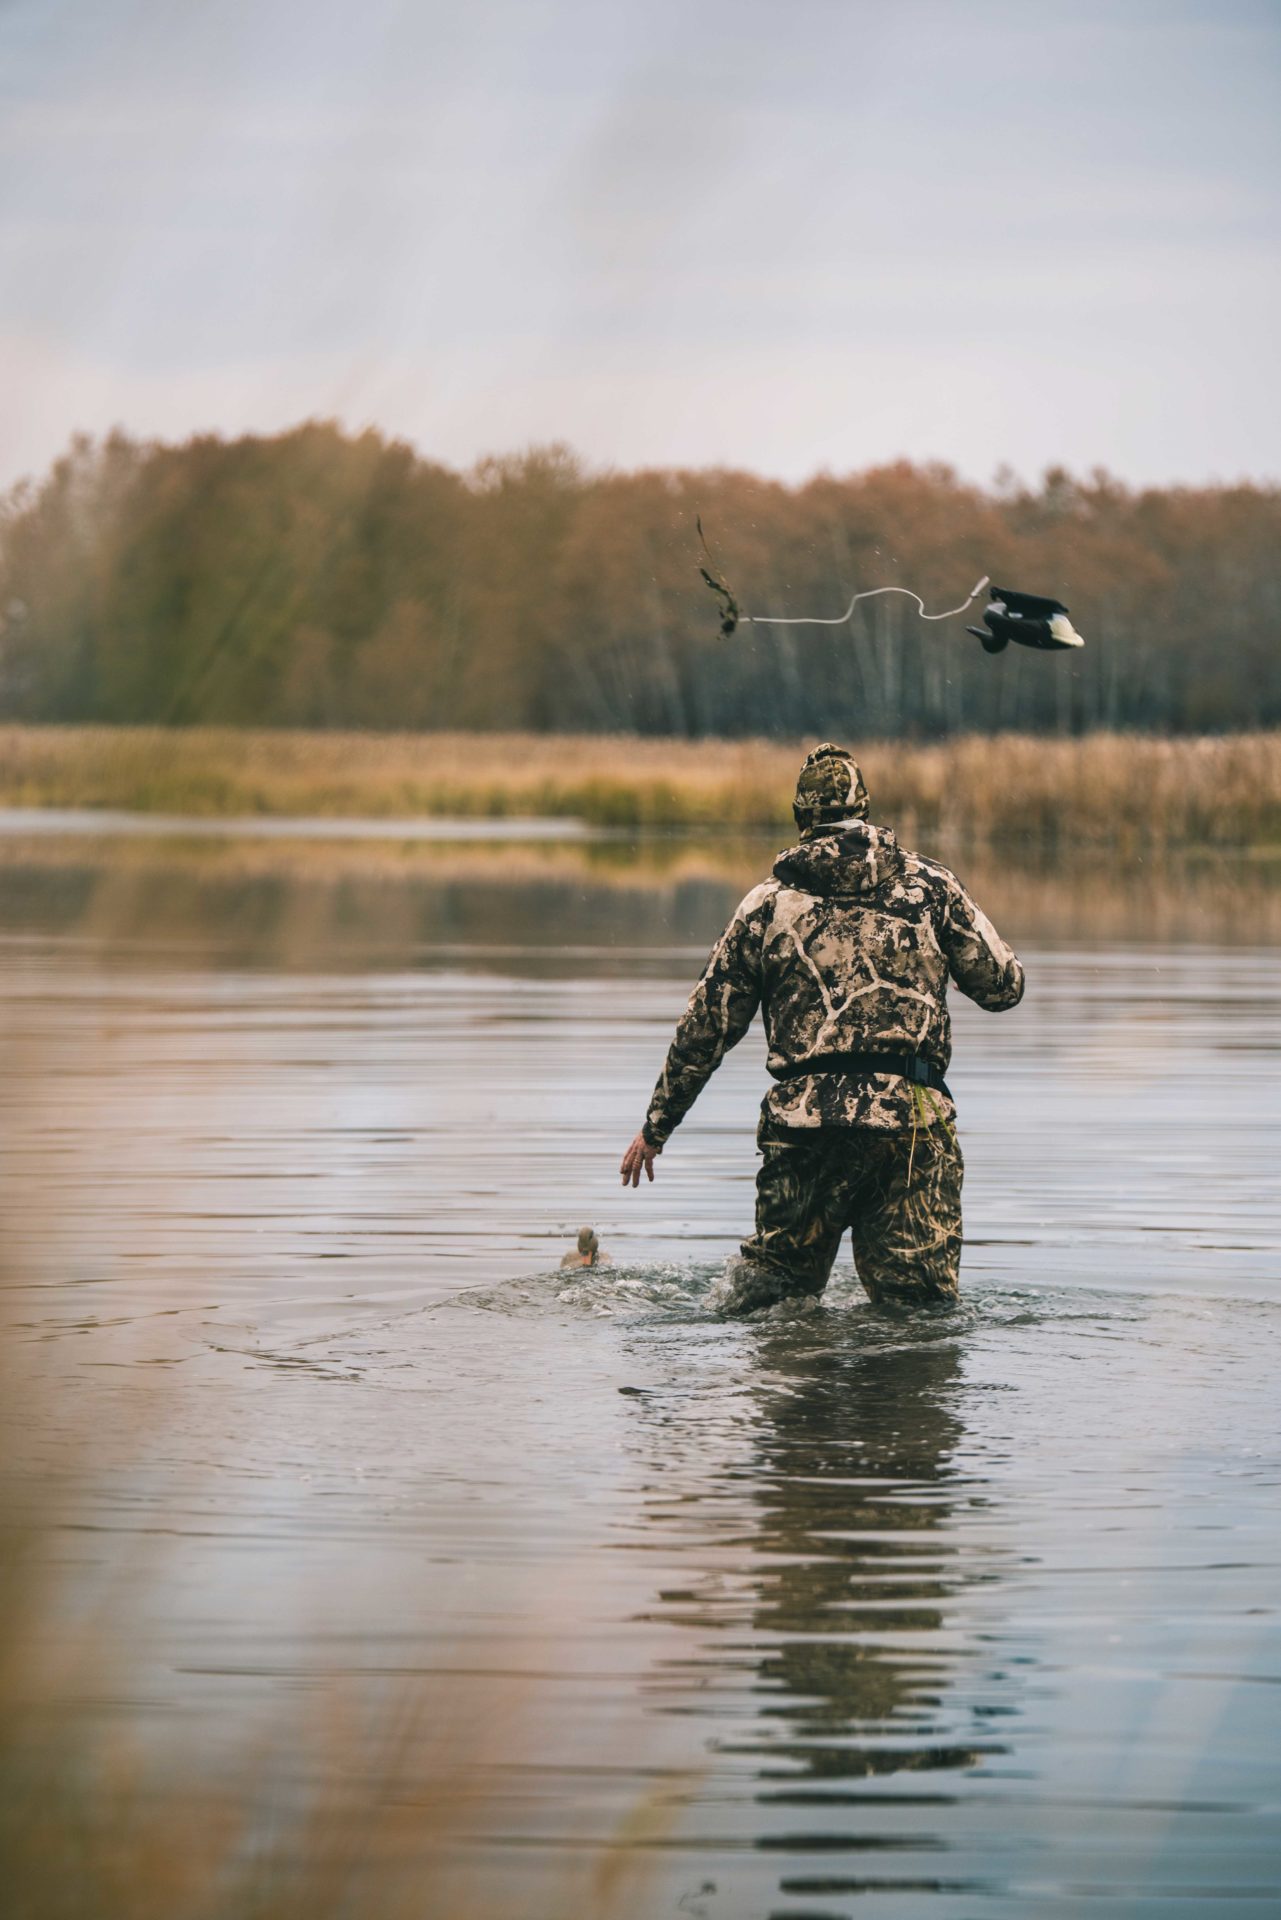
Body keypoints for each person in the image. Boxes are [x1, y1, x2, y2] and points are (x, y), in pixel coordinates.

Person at [618, 743, 1024, 1314]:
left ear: (800, 818)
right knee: (917, 1318)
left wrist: (656, 1127)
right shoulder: (931, 889)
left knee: (771, 1304)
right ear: (867, 808)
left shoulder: (767, 907)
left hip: (803, 1130)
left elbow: (706, 1026)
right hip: (909, 1127)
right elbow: (1005, 986)